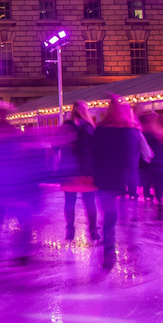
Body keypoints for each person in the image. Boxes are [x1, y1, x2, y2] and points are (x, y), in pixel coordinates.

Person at [91, 96, 149, 270]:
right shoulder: (131, 132)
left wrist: (95, 177)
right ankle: (131, 249)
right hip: (123, 182)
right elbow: (133, 160)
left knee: (109, 218)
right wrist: (132, 186)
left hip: (104, 181)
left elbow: (94, 156)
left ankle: (109, 252)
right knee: (125, 220)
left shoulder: (100, 130)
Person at [58, 100, 99, 241]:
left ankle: (70, 230)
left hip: (69, 171)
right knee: (90, 202)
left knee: (69, 202)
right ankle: (93, 231)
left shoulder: (65, 127)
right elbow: (96, 149)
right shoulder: (90, 128)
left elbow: (54, 146)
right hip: (86, 171)